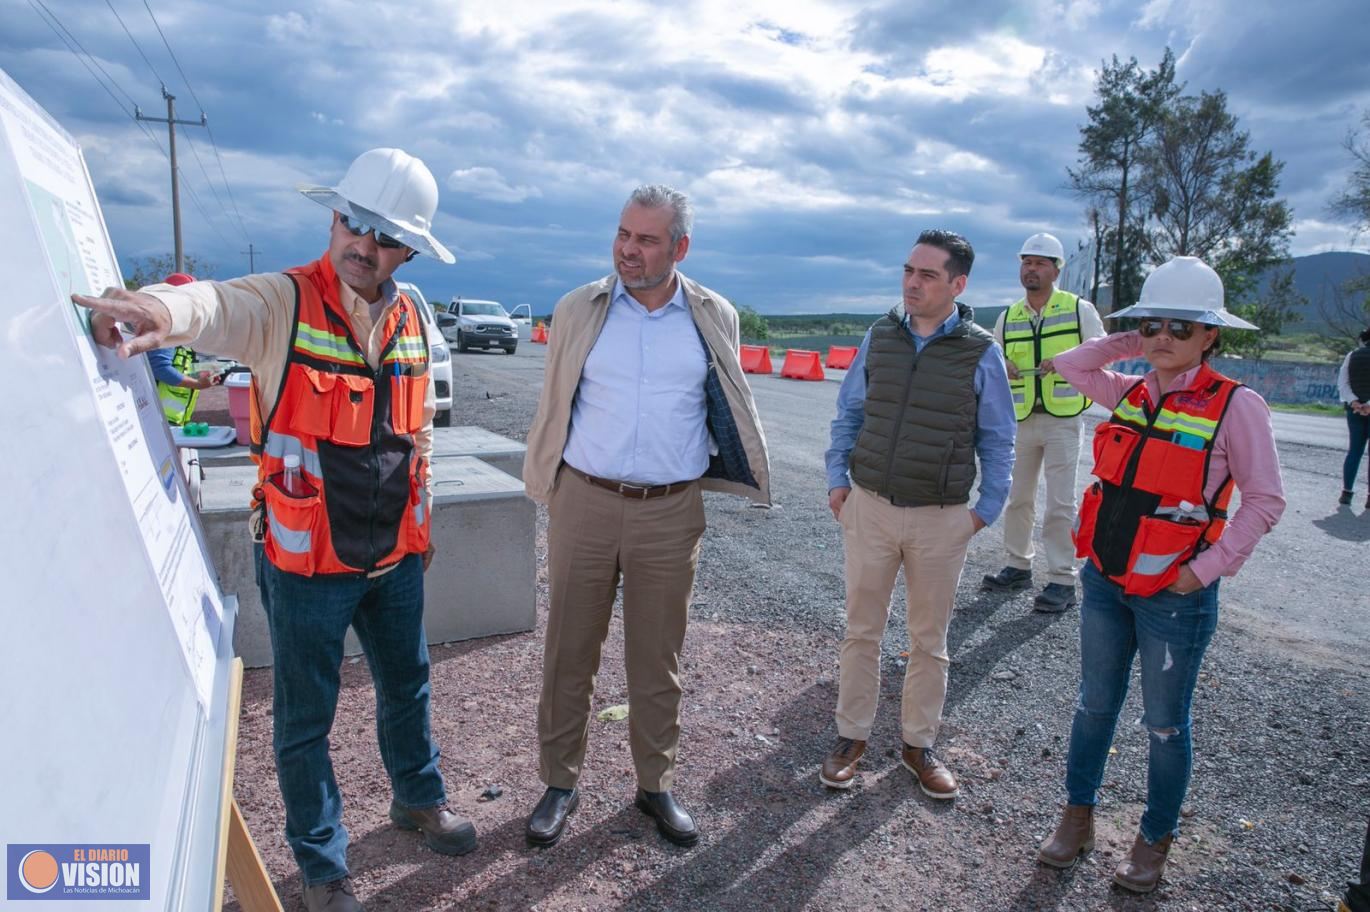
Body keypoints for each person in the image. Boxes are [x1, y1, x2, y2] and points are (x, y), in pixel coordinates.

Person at [75, 148, 471, 912]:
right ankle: (323, 868)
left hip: (393, 556)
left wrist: (422, 528)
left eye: (384, 236)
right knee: (303, 719)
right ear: (333, 216)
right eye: (352, 222)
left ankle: (417, 800)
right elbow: (212, 308)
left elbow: (417, 431)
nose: (362, 243)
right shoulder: (284, 302)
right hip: (305, 563)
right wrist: (155, 309)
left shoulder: (415, 315)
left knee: (408, 686)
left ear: (410, 249)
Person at [521, 184, 770, 849]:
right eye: (623, 235)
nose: (629, 250)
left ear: (680, 247)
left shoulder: (713, 315)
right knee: (569, 649)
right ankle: (559, 782)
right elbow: (556, 400)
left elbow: (722, 405)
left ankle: (655, 784)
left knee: (657, 660)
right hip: (585, 499)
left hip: (670, 511)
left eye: (647, 239)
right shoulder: (580, 308)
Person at [1036, 256, 1286, 893]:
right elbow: (1070, 366)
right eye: (1154, 325)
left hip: (1174, 597)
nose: (1164, 338)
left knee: (1165, 725)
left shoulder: (1238, 407)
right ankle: (1078, 816)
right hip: (1105, 582)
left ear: (1212, 336)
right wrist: (1134, 337)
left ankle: (1154, 840)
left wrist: (1204, 571)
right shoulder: (1128, 390)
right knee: (1094, 706)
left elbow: (1264, 501)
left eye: (1184, 327)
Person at [819, 229, 1015, 797]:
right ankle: (850, 737)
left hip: (941, 517)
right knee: (862, 631)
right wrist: (839, 483)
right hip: (871, 507)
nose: (912, 282)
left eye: (928, 275)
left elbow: (999, 439)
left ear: (958, 284)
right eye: (909, 270)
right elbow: (848, 413)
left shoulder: (981, 351)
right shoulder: (879, 336)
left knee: (929, 640)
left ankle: (918, 745)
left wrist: (984, 512)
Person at [983, 233, 1105, 612]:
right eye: (1026, 262)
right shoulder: (1009, 316)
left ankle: (1062, 579)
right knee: (1018, 498)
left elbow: (1102, 351)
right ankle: (1018, 564)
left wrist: (1070, 360)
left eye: (1039, 263)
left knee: (1059, 503)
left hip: (1063, 420)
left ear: (1056, 270)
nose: (1030, 269)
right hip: (1021, 420)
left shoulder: (1078, 309)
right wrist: (1003, 365)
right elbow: (994, 360)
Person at [148, 272, 220, 425]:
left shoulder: (181, 327)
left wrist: (205, 373)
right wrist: (198, 384)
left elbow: (182, 365)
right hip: (159, 418)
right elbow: (160, 369)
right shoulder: (166, 327)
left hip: (175, 419)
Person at [1337, 327, 1370, 507]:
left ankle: (1347, 492)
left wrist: (1354, 402)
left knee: (1354, 451)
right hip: (1366, 408)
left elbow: (1343, 383)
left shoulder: (1352, 355)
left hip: (1355, 410)